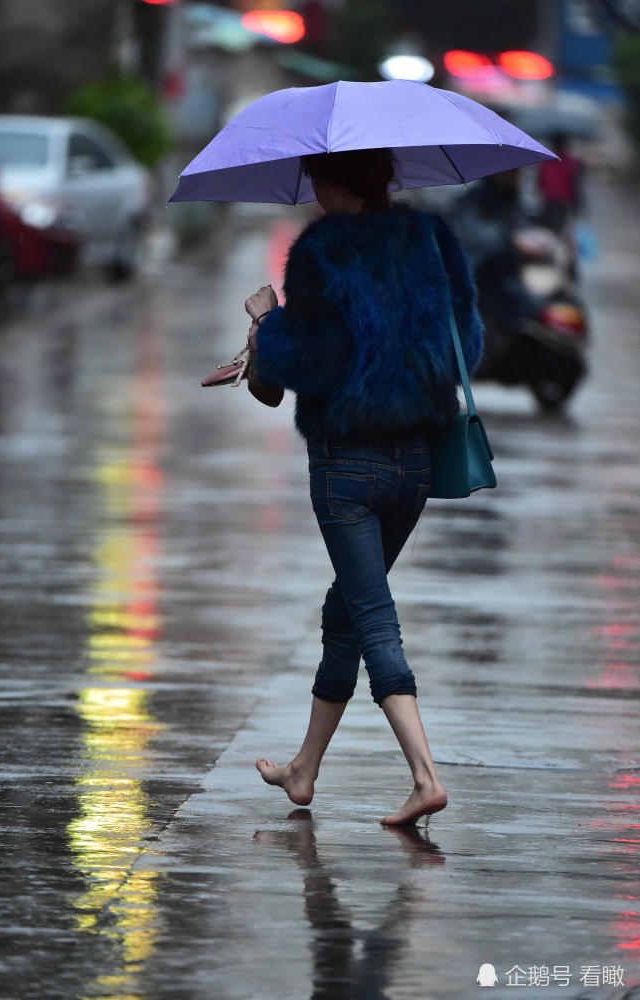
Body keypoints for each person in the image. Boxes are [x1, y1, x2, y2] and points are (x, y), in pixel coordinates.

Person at [243, 148, 483, 826]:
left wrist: (266, 325)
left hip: (345, 467)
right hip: (414, 465)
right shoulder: (433, 241)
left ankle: (424, 776)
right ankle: (304, 769)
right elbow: (468, 339)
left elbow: (302, 364)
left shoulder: (320, 251)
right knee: (348, 609)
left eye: (317, 176)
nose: (311, 188)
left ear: (335, 182)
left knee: (373, 617)